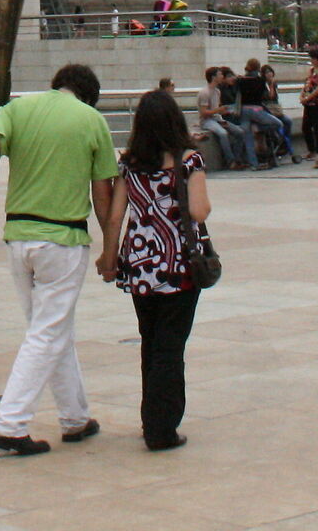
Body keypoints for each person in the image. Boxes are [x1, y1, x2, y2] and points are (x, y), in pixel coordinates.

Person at [0, 63, 124, 454]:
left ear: (57, 86)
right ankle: (9, 423)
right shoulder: (91, 120)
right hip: (63, 239)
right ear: (89, 95)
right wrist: (109, 251)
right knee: (46, 333)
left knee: (52, 329)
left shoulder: (20, 108)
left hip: (19, 238)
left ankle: (75, 417)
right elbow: (103, 194)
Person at [99, 87, 212, 450]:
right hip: (179, 265)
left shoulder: (129, 164)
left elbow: (116, 216)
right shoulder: (189, 160)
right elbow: (199, 211)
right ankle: (162, 428)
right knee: (170, 346)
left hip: (140, 265)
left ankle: (151, 418)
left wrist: (109, 257)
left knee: (150, 342)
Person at [235, 57, 293, 165]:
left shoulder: (240, 80)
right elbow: (263, 98)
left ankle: (254, 164)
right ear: (258, 68)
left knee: (248, 138)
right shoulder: (260, 81)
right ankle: (260, 129)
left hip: (243, 111)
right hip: (257, 109)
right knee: (278, 123)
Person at [197, 67, 253, 170]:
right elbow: (204, 113)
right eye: (220, 75)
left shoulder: (217, 92)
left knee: (240, 132)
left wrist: (223, 112)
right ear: (213, 77)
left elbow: (216, 110)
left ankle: (238, 159)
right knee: (223, 133)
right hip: (207, 121)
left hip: (217, 118)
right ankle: (230, 161)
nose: (222, 77)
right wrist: (218, 110)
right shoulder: (204, 93)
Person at [299, 47, 318, 162]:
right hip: (308, 102)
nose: (312, 60)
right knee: (305, 126)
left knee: (317, 127)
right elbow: (307, 83)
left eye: (314, 58)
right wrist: (302, 95)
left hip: (317, 102)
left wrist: (308, 98)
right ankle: (311, 150)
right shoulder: (311, 70)